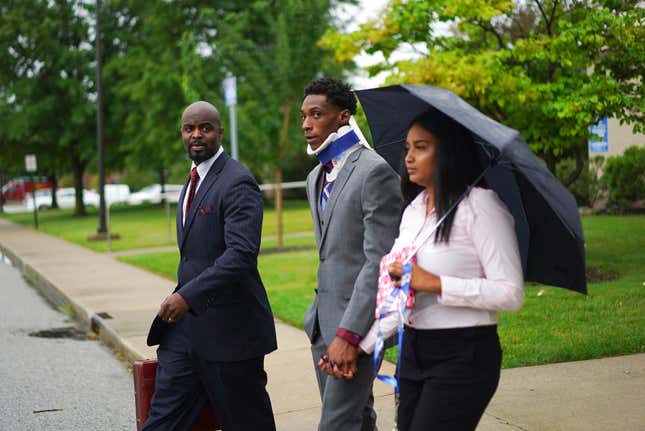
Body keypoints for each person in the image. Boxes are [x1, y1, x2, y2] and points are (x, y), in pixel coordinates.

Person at [358, 108, 525, 431]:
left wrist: (436, 283)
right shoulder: (414, 211)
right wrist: (362, 347)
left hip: (464, 354)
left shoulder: (480, 207)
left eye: (421, 147)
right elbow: (403, 293)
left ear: (448, 151)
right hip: (414, 351)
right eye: (408, 147)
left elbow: (511, 293)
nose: (408, 157)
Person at [143, 101, 277, 431]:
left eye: (205, 128)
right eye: (189, 129)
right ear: (182, 134)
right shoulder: (191, 180)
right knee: (161, 421)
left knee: (248, 424)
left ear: (219, 132)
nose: (197, 135)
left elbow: (241, 255)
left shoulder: (237, 181)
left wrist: (188, 295)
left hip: (231, 334)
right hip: (185, 334)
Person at [300, 77, 401, 430]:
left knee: (336, 424)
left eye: (317, 114)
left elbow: (379, 262)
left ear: (343, 117)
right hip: (320, 324)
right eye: (304, 116)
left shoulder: (375, 172)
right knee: (358, 420)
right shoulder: (315, 178)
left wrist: (348, 335)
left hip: (356, 331)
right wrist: (318, 323)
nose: (307, 124)